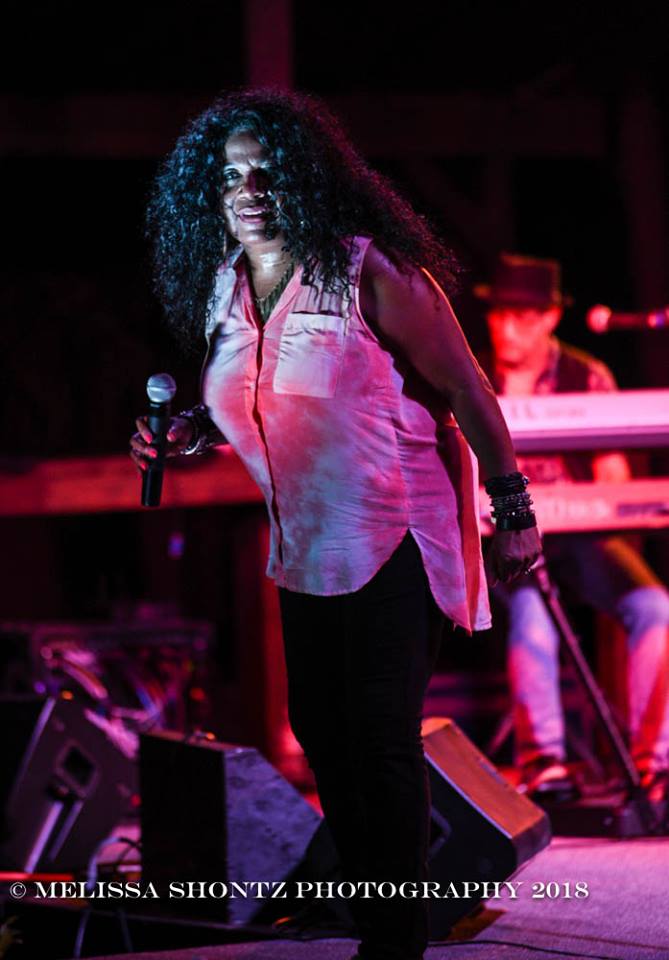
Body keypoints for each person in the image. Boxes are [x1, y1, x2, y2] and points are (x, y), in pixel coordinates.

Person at [130, 91, 541, 960]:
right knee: (322, 734)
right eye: (229, 177)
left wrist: (512, 512)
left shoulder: (370, 270)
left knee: (378, 737)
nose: (247, 191)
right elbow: (250, 400)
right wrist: (184, 433)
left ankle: (392, 941)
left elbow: (467, 388)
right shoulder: (225, 286)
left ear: (306, 179)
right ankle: (377, 908)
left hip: (396, 533)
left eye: (266, 173)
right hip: (305, 545)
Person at [476, 252, 669, 805]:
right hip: (508, 538)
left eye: (521, 316)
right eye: (499, 314)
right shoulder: (475, 378)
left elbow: (613, 478)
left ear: (550, 318)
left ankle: (655, 764)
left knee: (653, 607)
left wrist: (580, 509)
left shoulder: (587, 377)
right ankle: (545, 763)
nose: (506, 328)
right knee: (532, 617)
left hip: (583, 536)